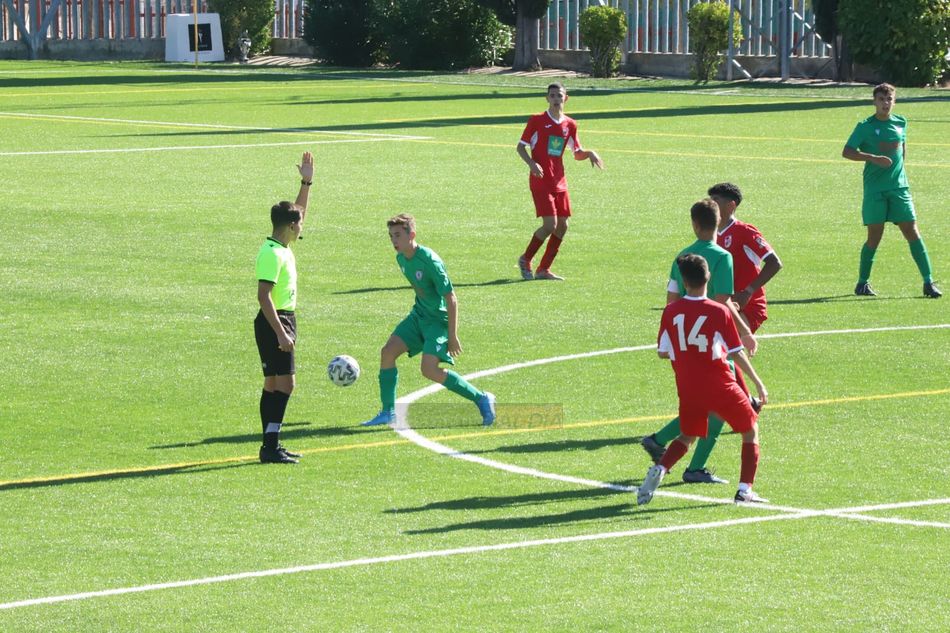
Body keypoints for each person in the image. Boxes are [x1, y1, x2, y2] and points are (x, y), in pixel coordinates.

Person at [640, 198, 759, 484]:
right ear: (719, 222)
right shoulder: (722, 256)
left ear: (694, 224)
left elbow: (671, 299)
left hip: (685, 345)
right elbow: (723, 302)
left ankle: (667, 447)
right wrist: (745, 331)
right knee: (726, 409)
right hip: (714, 344)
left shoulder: (682, 256)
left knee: (706, 408)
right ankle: (694, 466)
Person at [637, 253, 769, 506]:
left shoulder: (671, 311)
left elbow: (663, 352)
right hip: (720, 383)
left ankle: (661, 468)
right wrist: (757, 382)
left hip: (688, 386)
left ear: (684, 282)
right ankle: (745, 491)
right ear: (708, 277)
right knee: (750, 429)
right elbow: (736, 352)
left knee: (688, 435)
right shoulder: (719, 311)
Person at [362, 214, 496, 428]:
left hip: (438, 321)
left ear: (411, 235)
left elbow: (451, 298)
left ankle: (481, 398)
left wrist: (452, 336)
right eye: (391, 236)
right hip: (419, 316)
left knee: (429, 370)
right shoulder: (401, 258)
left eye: (398, 235)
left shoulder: (430, 261)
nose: (394, 241)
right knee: (387, 352)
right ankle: (388, 412)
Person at [842, 83, 941, 299]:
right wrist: (872, 158)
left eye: (889, 99)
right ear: (874, 101)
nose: (886, 104)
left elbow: (902, 152)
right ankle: (862, 283)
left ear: (894, 101)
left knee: (912, 232)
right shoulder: (865, 126)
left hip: (899, 189)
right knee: (874, 238)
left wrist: (899, 175)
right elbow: (847, 151)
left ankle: (928, 282)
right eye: (881, 99)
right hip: (875, 191)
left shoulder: (901, 122)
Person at [254, 151, 314, 464]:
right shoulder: (272, 254)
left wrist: (306, 183)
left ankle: (271, 445)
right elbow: (263, 296)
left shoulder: (280, 243)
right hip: (275, 320)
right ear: (291, 226)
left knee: (273, 383)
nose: (303, 225)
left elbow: (298, 211)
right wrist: (281, 332)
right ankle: (270, 446)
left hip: (279, 319)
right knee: (286, 384)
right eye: (299, 223)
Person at [516, 82, 604, 281]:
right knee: (550, 225)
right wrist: (531, 163)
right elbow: (520, 147)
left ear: (566, 98)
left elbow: (577, 153)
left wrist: (590, 153)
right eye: (552, 95)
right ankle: (525, 259)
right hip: (540, 180)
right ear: (547, 98)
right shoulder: (537, 120)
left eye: (559, 95)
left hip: (559, 181)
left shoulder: (570, 124)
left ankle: (543, 269)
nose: (556, 99)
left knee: (563, 225)